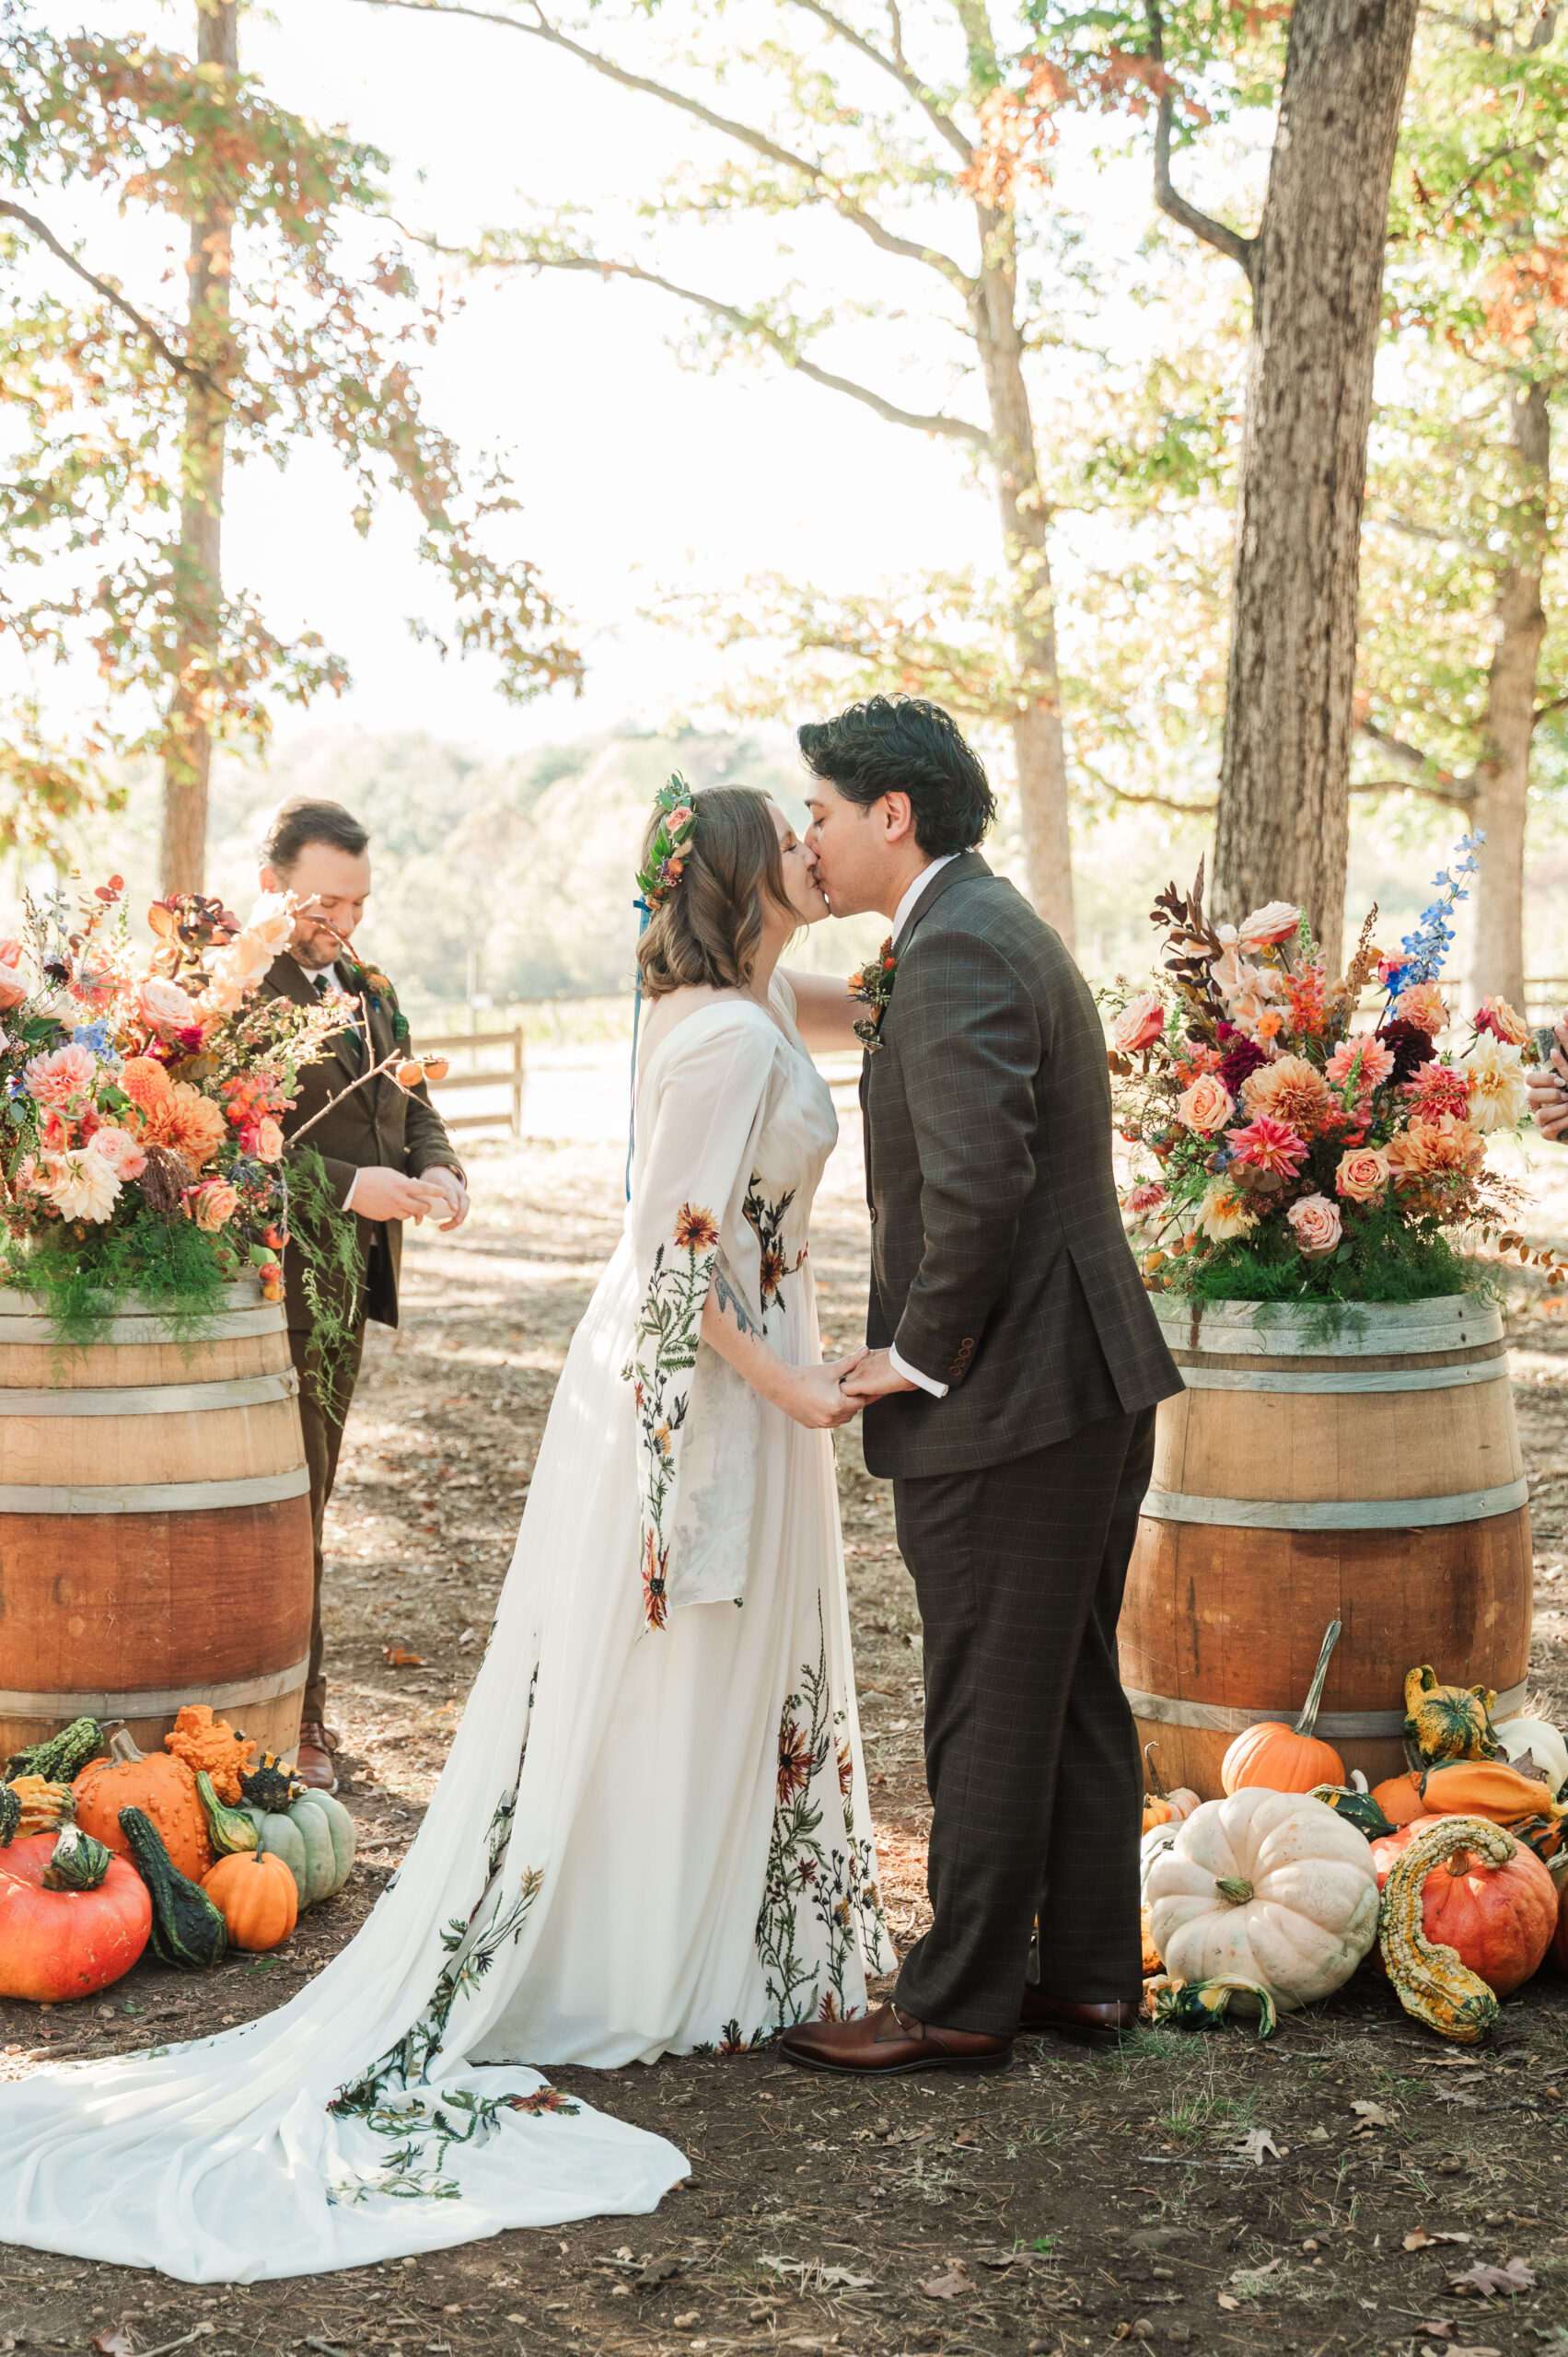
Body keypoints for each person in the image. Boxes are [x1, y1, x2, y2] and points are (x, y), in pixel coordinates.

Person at [0, 784, 891, 2282]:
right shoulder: (728, 1032)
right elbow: (675, 1247)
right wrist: (790, 1381)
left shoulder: (731, 1002)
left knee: (700, 1655)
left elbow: (855, 1005)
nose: (815, 851)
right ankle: (653, 1960)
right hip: (709, 1372)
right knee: (677, 1643)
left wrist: (924, 934)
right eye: (791, 842)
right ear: (743, 884)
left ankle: (715, 1933)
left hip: (721, 1350)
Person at [775, 697, 1183, 2077]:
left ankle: (954, 1999)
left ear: (892, 815)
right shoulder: (966, 926)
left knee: (986, 1694)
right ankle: (1082, 1976)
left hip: (1011, 1388)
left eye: (821, 812)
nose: (810, 837)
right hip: (1080, 1374)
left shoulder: (953, 949)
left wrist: (915, 1355)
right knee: (1062, 1683)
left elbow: (975, 1185)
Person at [259, 796, 470, 1792]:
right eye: (324, 904)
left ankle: (288, 1710)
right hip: (274, 1293)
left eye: (358, 904)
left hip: (352, 1288)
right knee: (290, 1513)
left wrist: (441, 1167)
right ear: (272, 886)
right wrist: (351, 1189)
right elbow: (232, 1150)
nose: (343, 924)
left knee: (317, 1499)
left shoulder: (371, 986)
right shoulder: (236, 995)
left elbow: (411, 1100)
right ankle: (299, 1722)